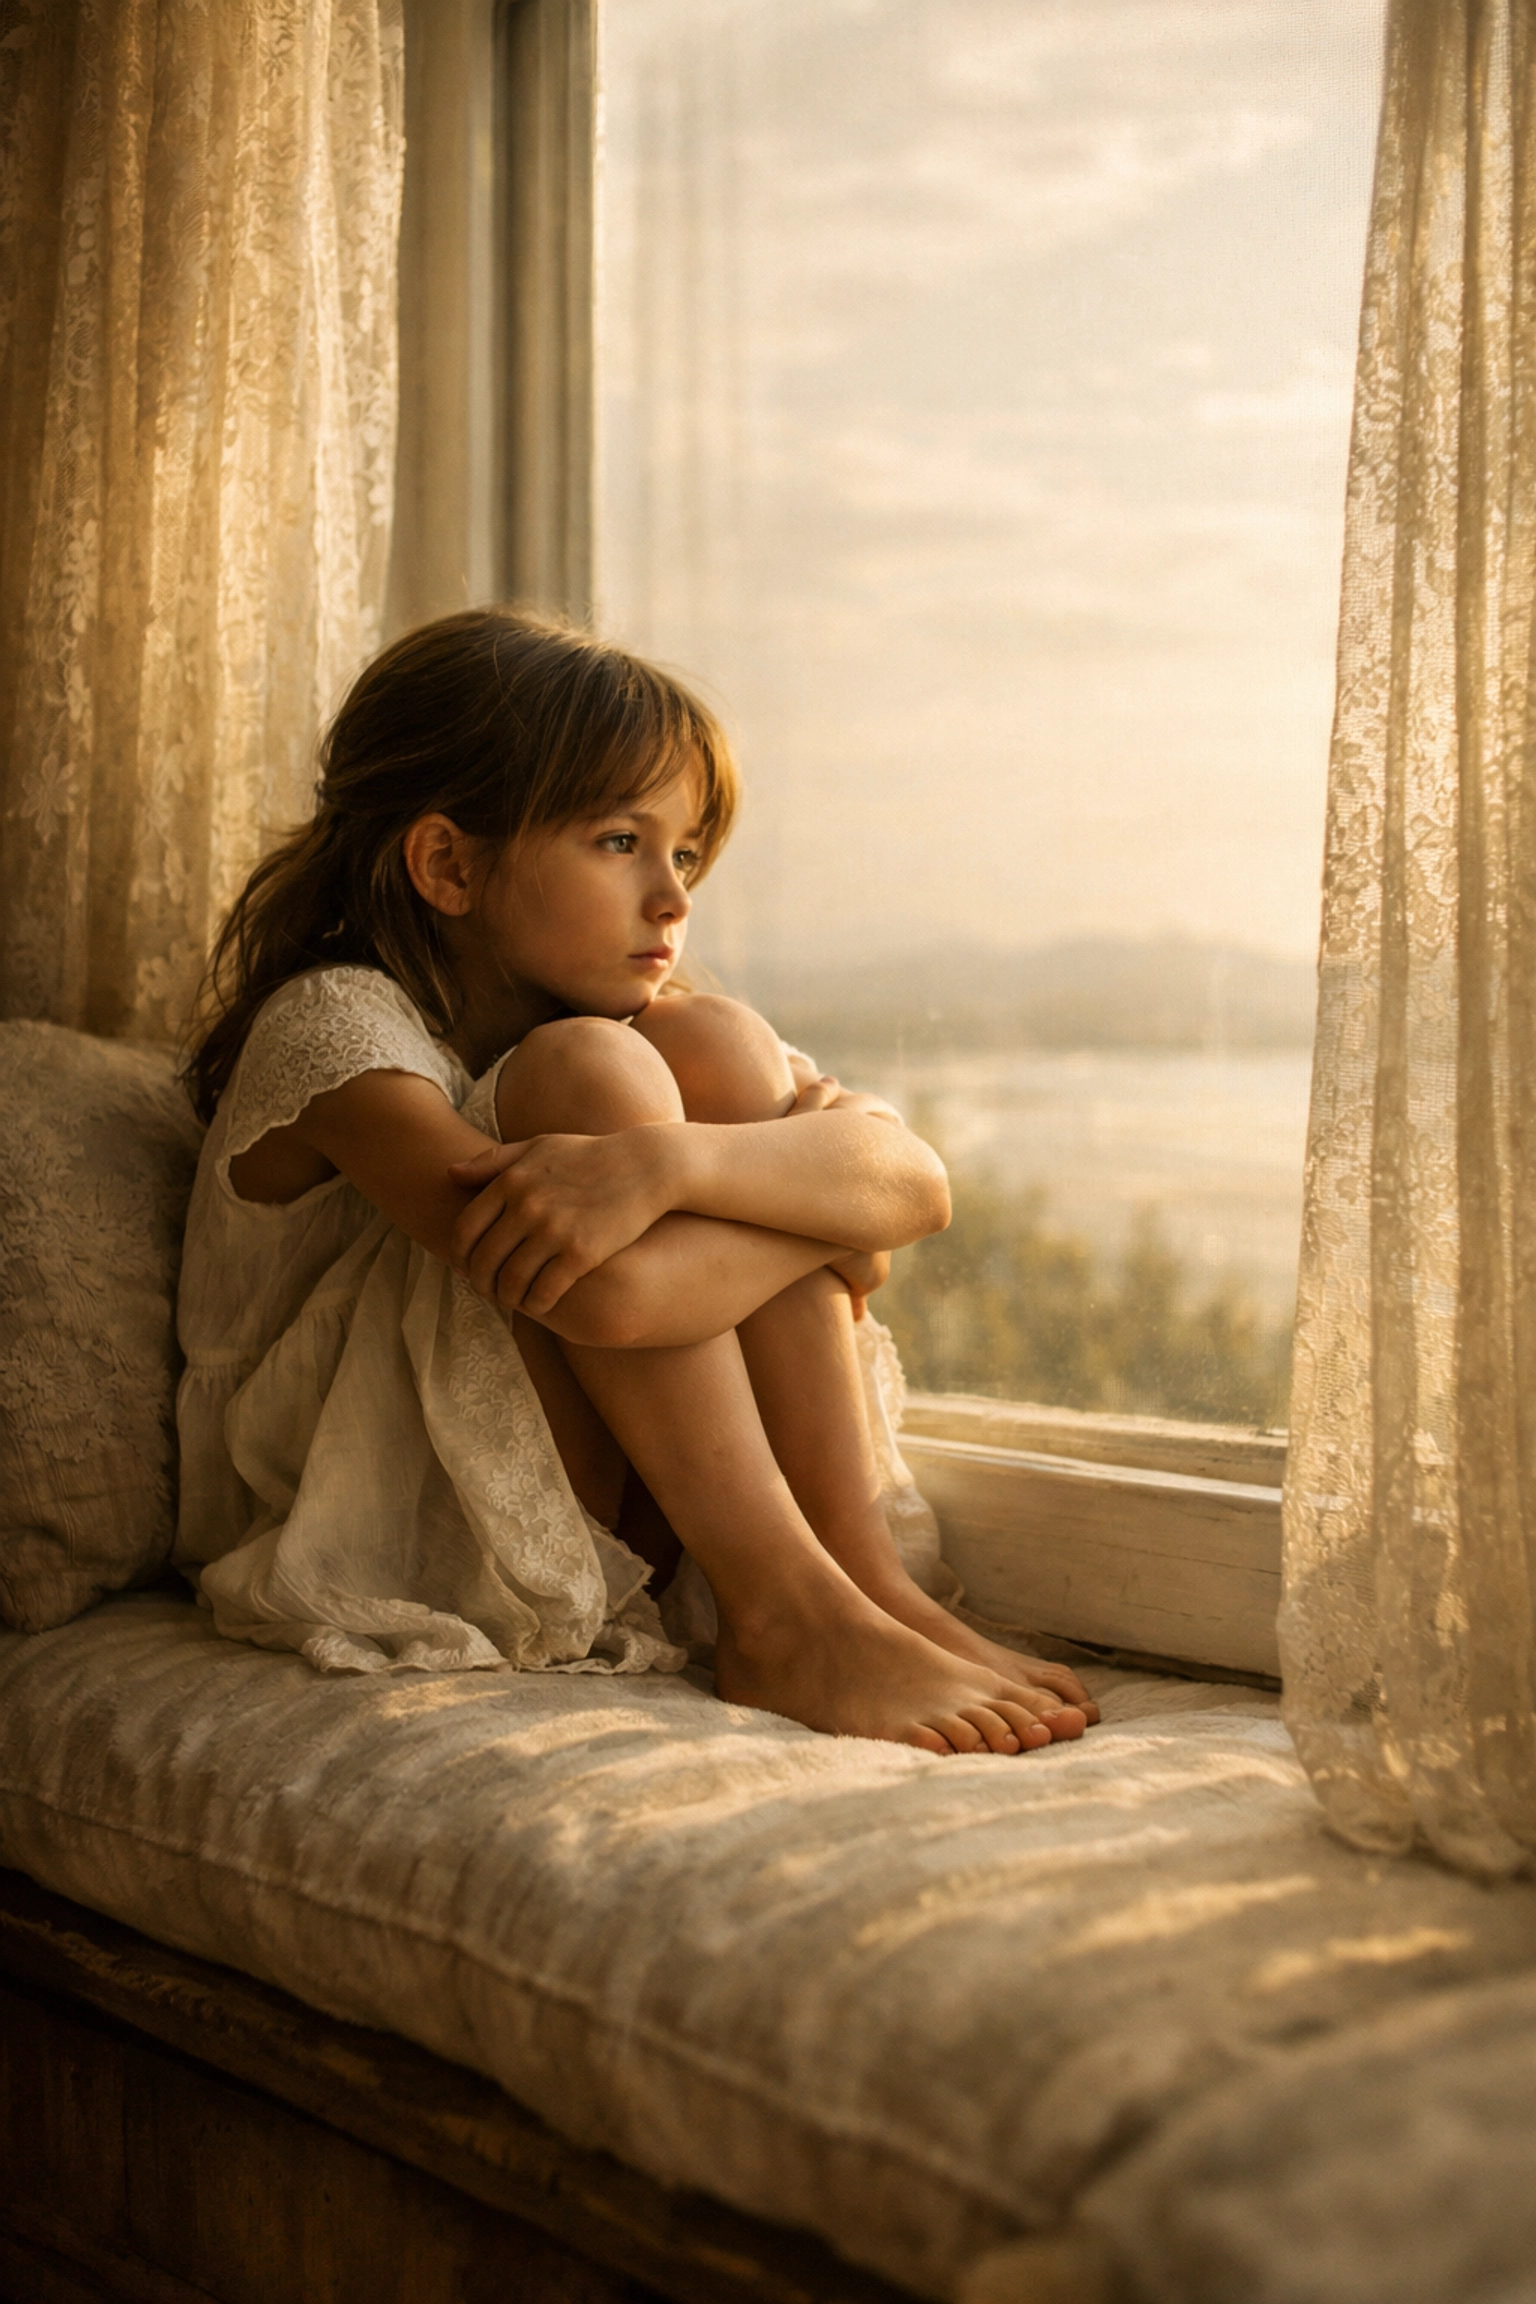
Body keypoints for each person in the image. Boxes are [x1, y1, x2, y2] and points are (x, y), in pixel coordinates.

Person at [176, 608, 1097, 1754]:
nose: (673, 897)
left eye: (685, 853)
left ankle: (863, 1584)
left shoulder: (645, 1031)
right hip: (378, 1517)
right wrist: (805, 1210)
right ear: (448, 864)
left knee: (721, 1045)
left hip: (606, 1501)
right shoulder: (334, 1034)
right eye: (621, 842)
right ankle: (783, 1609)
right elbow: (607, 1297)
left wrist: (673, 1164)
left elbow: (915, 1185)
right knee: (596, 1072)